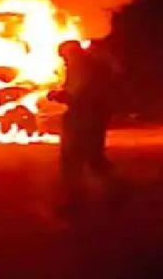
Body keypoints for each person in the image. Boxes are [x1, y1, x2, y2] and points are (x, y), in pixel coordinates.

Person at [49, 40, 118, 217]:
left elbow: (77, 94)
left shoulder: (79, 64)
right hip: (97, 116)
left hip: (81, 117)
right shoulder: (96, 63)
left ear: (69, 52)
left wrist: (57, 95)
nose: (64, 62)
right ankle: (116, 193)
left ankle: (74, 203)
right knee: (94, 157)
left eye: (64, 57)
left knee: (71, 160)